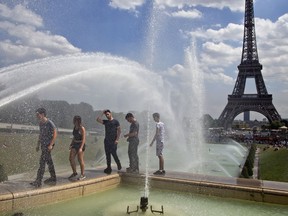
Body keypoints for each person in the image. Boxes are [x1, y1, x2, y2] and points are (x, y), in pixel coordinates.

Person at [30, 108, 57, 187]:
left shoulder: (49, 123)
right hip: (43, 145)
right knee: (49, 161)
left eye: (37, 114)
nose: (36, 116)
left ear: (42, 114)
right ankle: (53, 177)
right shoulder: (40, 123)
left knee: (42, 162)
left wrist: (51, 145)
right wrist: (38, 144)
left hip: (48, 145)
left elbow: (55, 134)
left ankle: (38, 181)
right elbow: (40, 134)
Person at [96, 109, 122, 174]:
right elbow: (98, 120)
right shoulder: (106, 122)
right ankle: (108, 168)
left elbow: (119, 131)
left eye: (108, 114)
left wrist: (117, 140)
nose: (107, 116)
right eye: (106, 115)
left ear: (110, 113)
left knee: (114, 153)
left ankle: (119, 164)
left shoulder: (116, 121)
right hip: (107, 141)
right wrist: (102, 113)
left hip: (113, 141)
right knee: (107, 155)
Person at [68, 116, 86, 181]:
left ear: (79, 121)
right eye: (74, 120)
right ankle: (74, 173)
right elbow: (74, 137)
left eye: (76, 120)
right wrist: (71, 144)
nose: (75, 121)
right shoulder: (75, 127)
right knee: (71, 158)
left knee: (80, 160)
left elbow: (84, 139)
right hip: (75, 144)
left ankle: (83, 174)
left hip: (80, 144)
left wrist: (81, 148)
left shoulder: (82, 128)